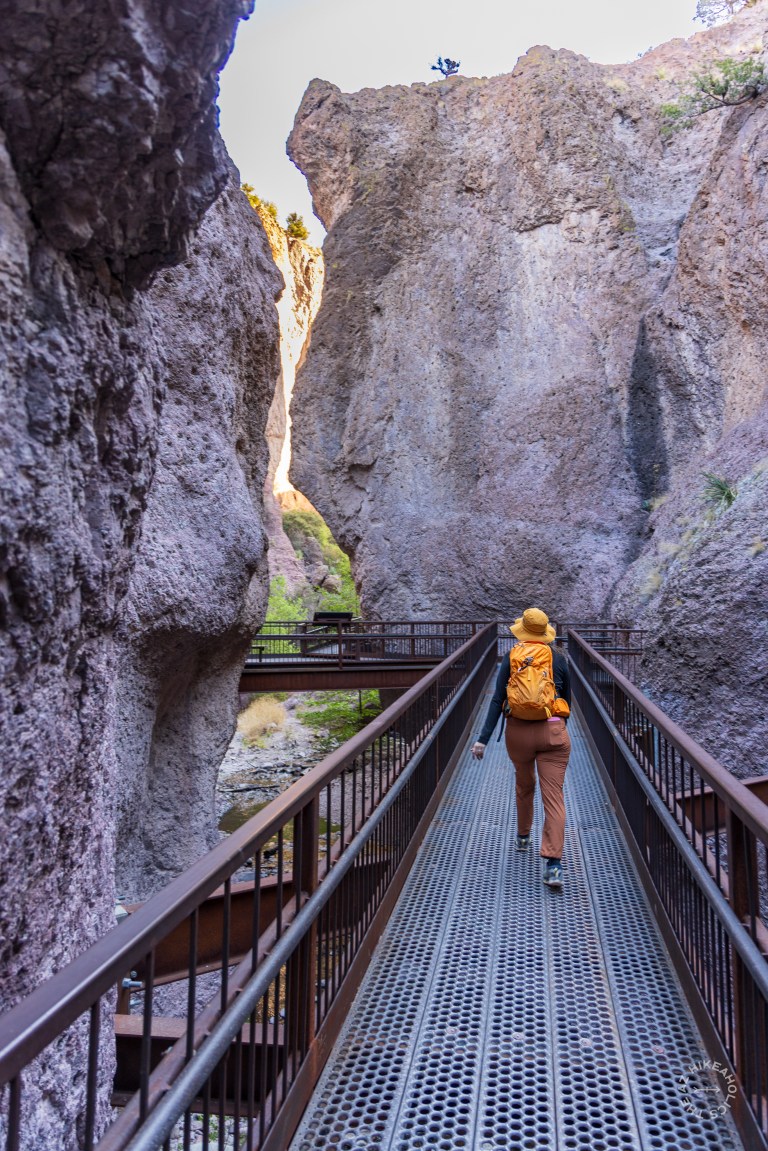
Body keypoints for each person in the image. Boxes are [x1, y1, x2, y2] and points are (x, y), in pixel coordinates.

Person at [471, 607, 571, 889]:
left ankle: (523, 836)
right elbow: (569, 700)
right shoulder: (559, 658)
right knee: (554, 798)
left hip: (518, 733)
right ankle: (553, 865)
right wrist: (558, 729)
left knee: (524, 784)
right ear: (546, 633)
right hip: (554, 732)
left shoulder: (512, 657)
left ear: (523, 631)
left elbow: (496, 700)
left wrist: (483, 739)